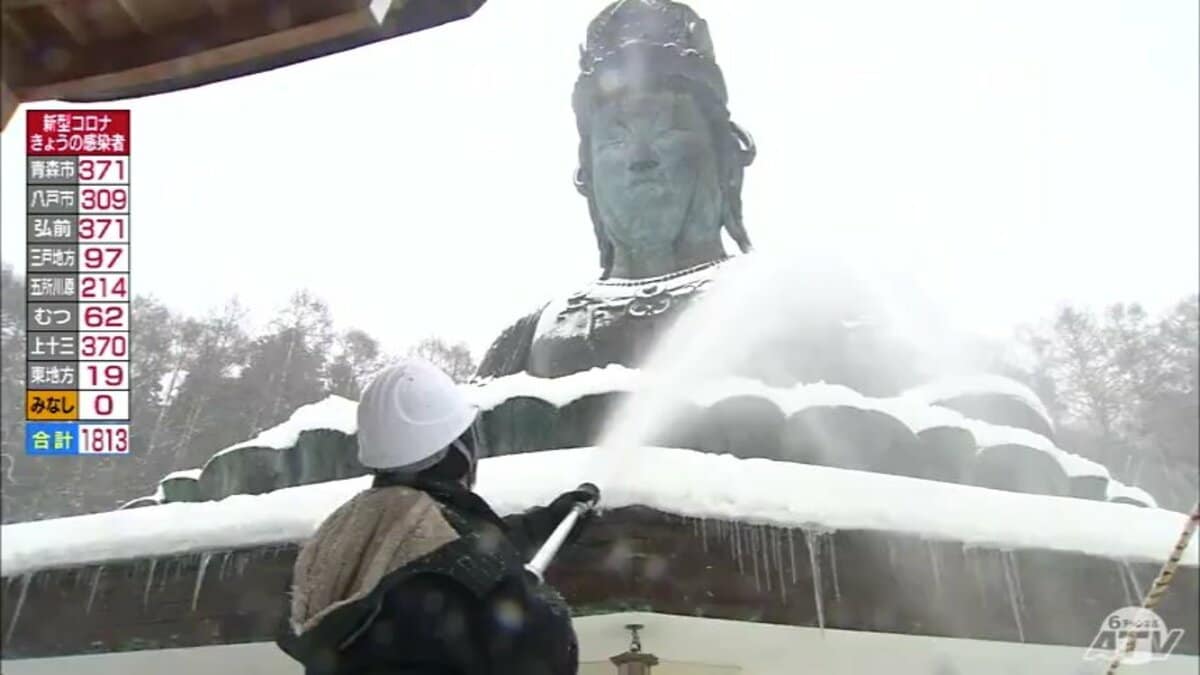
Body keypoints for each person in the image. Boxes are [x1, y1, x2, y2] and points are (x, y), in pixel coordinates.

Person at [277, 358, 598, 675]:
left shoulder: (349, 530)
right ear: (456, 450)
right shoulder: (463, 561)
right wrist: (540, 611)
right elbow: (545, 659)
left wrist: (546, 524)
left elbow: (438, 556)